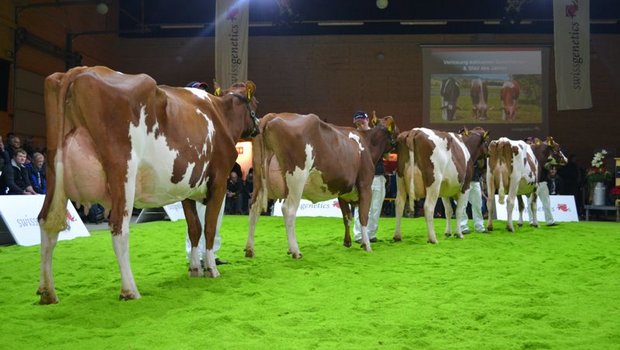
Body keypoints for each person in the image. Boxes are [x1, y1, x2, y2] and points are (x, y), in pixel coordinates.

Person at [183, 80, 228, 266]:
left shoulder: (211, 122)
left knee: (216, 216)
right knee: (195, 217)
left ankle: (211, 254)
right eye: (198, 91)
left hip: (213, 174)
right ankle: (193, 255)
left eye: (203, 91)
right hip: (194, 175)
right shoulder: (185, 120)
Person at [352, 111, 386, 243]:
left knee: (376, 207)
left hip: (378, 174)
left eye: (362, 121)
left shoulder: (377, 135)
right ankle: (359, 235)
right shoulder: (354, 136)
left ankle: (371, 234)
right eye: (357, 122)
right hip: (361, 177)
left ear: (367, 120)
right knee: (360, 205)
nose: (360, 124)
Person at [459, 158, 486, 233]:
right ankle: (463, 227)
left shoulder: (476, 152)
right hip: (463, 180)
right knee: (462, 204)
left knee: (478, 204)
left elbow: (481, 165)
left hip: (475, 179)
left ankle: (479, 226)